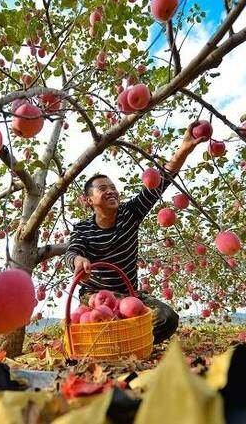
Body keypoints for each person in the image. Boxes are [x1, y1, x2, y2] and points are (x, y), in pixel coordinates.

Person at [64, 125, 205, 344]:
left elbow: (162, 181)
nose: (111, 191)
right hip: (95, 296)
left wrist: (185, 149)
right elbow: (72, 253)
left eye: (112, 187)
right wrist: (78, 260)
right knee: (100, 324)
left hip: (129, 294)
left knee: (167, 318)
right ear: (89, 200)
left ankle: (122, 345)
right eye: (102, 188)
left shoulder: (130, 214)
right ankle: (118, 343)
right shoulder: (82, 228)